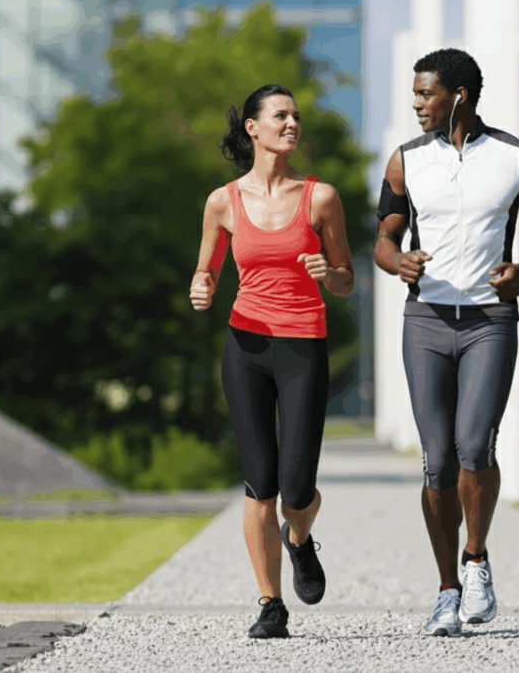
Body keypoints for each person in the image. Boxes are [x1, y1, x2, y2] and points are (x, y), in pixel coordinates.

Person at [373, 49, 519, 637]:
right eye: (414, 95)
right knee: (437, 462)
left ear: (457, 94)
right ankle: (445, 592)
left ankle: (476, 560)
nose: (416, 105)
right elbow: (382, 236)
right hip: (426, 320)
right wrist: (397, 261)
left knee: (475, 445)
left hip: (489, 321)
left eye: (424, 94)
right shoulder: (405, 162)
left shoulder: (517, 158)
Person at [191, 84, 355, 639]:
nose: (291, 123)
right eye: (280, 115)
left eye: (296, 116)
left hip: (303, 345)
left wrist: (326, 273)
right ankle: (270, 604)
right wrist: (202, 286)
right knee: (259, 484)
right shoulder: (222, 202)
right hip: (246, 348)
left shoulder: (320, 198)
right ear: (253, 129)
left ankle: (300, 538)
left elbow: (347, 280)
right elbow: (207, 268)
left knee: (297, 487)